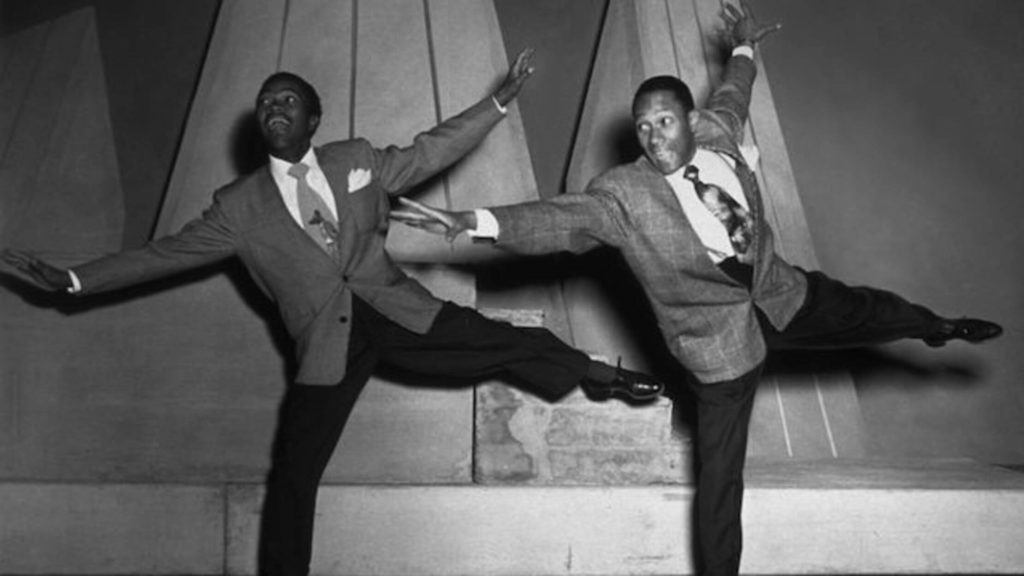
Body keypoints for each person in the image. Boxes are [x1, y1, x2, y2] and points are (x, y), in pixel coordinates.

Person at [389, 4, 1004, 576]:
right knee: (719, 481)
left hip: (780, 295)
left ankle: (936, 327)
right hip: (715, 347)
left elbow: (733, 95)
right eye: (643, 127)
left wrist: (742, 50)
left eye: (664, 121)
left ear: (687, 120)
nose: (654, 136)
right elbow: (556, 218)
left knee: (870, 309)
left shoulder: (715, 132)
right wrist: (473, 222)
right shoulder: (621, 196)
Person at [1, 49, 666, 576]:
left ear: (312, 119)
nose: (274, 107)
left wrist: (495, 103)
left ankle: (602, 377)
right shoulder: (237, 206)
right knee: (293, 477)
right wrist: (75, 280)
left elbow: (429, 149)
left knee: (504, 339)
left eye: (287, 99)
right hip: (327, 343)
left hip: (396, 309)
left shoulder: (355, 161)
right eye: (266, 102)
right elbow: (163, 254)